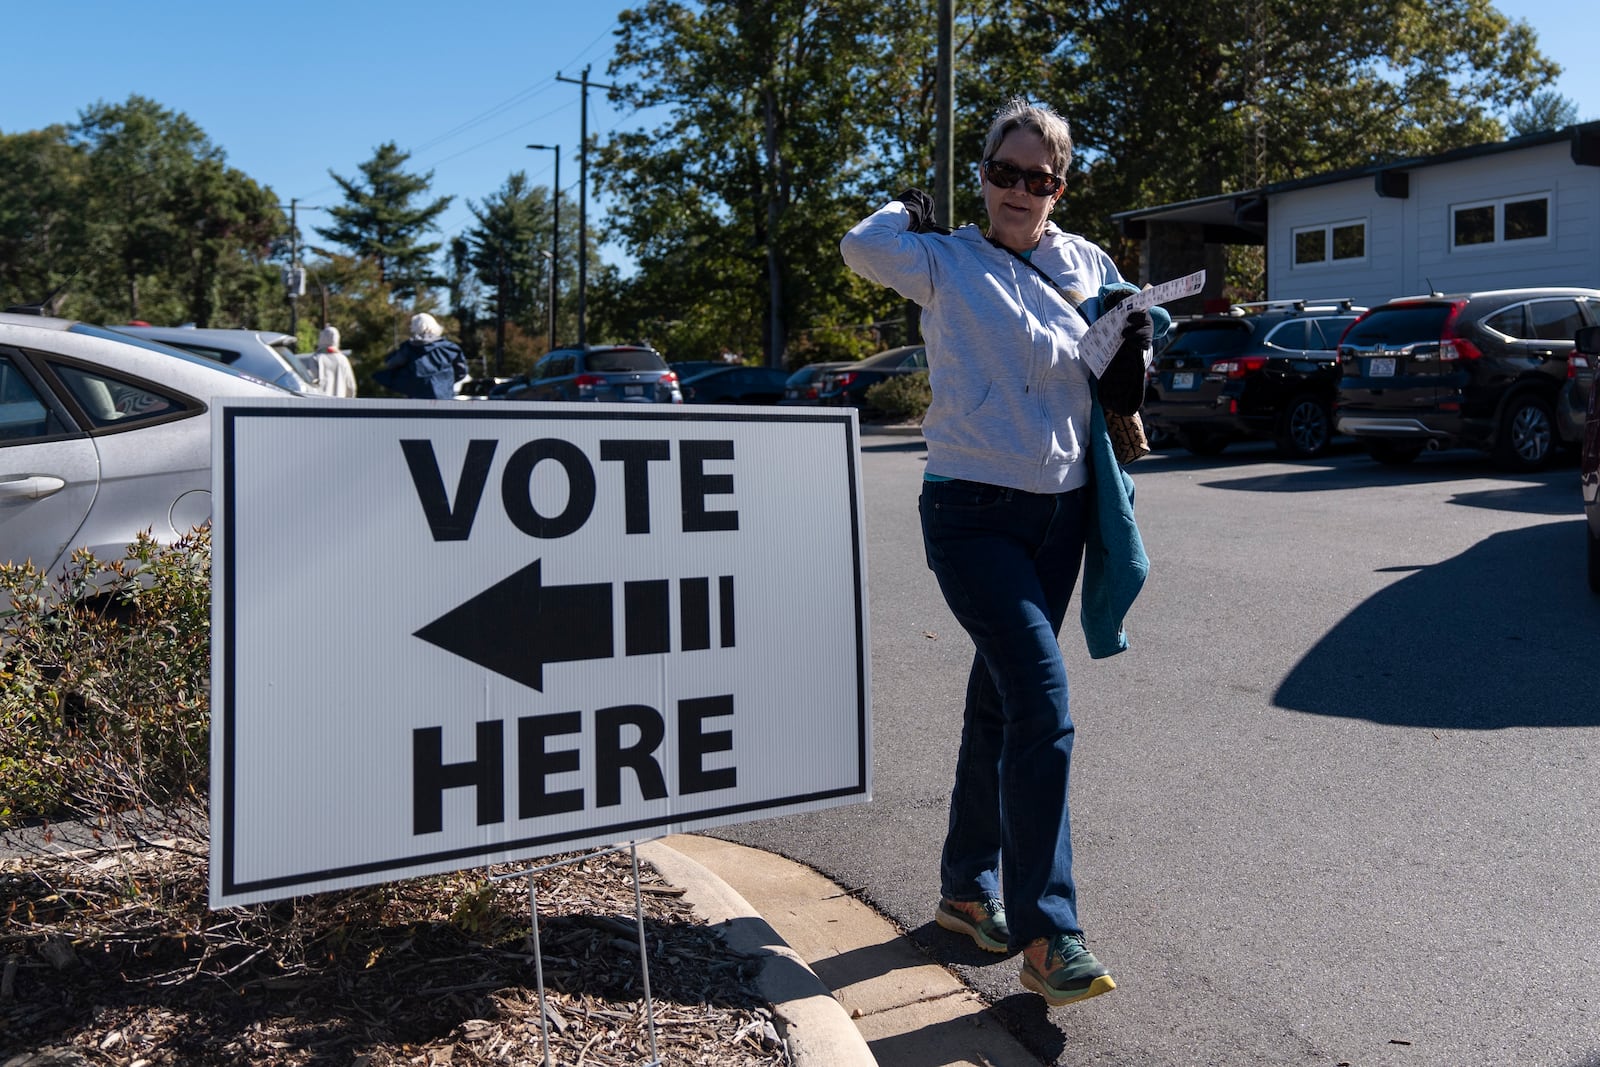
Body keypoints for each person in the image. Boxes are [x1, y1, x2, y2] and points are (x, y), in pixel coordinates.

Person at [839, 97, 1155, 1008]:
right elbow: (861, 248)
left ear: (1060, 186)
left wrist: (1131, 350)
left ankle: (963, 893)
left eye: (1038, 178)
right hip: (971, 515)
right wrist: (907, 210)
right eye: (1003, 172)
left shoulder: (1084, 260)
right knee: (1042, 700)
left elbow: (1112, 356)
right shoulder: (944, 258)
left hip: (1058, 517)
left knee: (1000, 701)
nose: (1019, 190)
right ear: (981, 175)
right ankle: (1050, 932)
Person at [373, 313, 468, 399]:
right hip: (444, 396)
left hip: (416, 397)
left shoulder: (409, 347)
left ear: (416, 327)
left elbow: (391, 363)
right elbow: (462, 371)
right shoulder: (449, 348)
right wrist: (445, 382)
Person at [311, 325, 358, 398]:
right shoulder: (343, 360)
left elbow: (312, 384)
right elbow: (351, 387)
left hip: (319, 404)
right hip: (340, 405)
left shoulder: (316, 358)